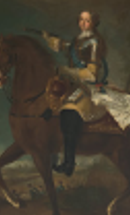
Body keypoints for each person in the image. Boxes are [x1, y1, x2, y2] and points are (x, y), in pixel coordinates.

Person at [40, 10, 110, 176]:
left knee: (70, 114)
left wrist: (67, 71)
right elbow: (65, 46)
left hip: (88, 87)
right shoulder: (77, 41)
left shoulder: (94, 42)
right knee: (50, 106)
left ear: (93, 23)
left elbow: (91, 74)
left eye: (87, 20)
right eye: (81, 20)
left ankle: (69, 163)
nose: (84, 23)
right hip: (73, 84)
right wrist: (48, 38)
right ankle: (52, 155)